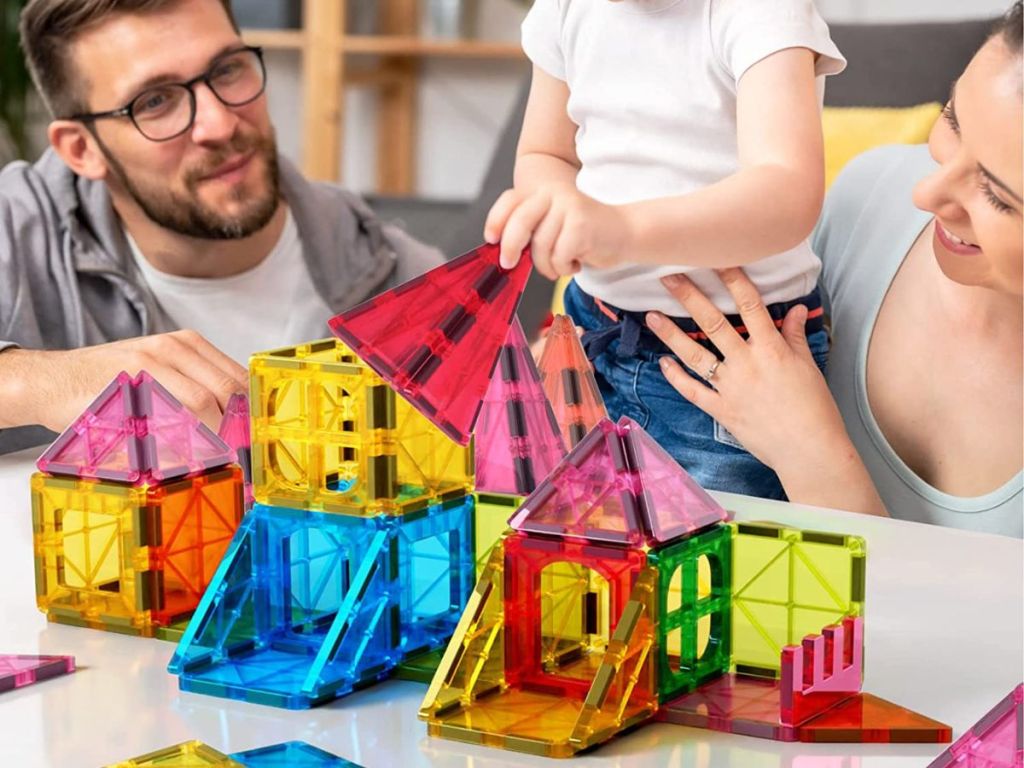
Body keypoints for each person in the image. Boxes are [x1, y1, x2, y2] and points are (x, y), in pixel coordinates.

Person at [0, 0, 444, 454]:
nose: (220, 123)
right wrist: (35, 382)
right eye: (155, 101)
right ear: (81, 150)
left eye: (228, 69)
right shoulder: (15, 233)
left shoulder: (401, 278)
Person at [647, 3, 1023, 536]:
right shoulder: (869, 192)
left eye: (996, 194)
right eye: (954, 121)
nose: (927, 192)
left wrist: (813, 457)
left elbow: (962, 621)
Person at [481, 0, 846, 498]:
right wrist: (554, 199)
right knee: (570, 544)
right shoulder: (566, 8)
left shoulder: (763, 12)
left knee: (714, 565)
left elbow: (787, 192)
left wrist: (624, 229)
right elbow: (547, 153)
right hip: (595, 329)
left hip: (729, 363)